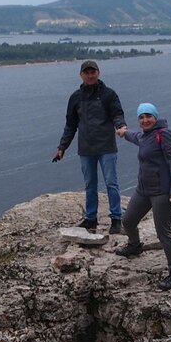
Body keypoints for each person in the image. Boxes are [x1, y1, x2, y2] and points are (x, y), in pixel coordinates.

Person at [115, 102, 171, 290]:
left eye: (148, 116)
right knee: (128, 221)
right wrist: (123, 132)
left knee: (164, 233)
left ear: (155, 117)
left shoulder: (165, 134)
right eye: (141, 117)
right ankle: (135, 245)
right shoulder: (144, 136)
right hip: (143, 190)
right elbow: (134, 136)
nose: (145, 120)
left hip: (162, 192)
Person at [53, 59, 126, 233]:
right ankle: (91, 219)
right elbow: (70, 125)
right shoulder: (76, 98)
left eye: (93, 72)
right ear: (81, 75)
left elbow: (117, 114)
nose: (90, 75)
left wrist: (120, 126)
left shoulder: (109, 94)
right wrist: (62, 147)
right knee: (90, 184)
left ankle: (116, 220)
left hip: (106, 147)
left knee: (111, 183)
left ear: (98, 73)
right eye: (87, 72)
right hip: (86, 149)